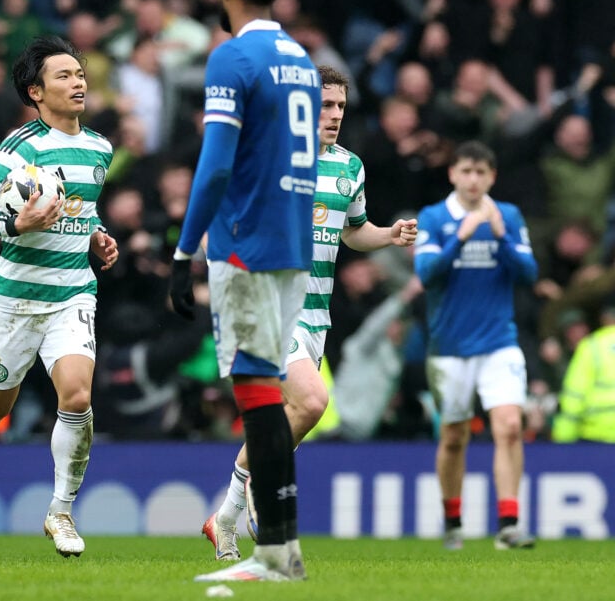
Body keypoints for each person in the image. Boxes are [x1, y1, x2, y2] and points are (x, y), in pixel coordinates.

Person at [201, 66, 419, 562]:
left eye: (340, 106)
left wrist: (388, 234)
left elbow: (352, 230)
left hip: (314, 315)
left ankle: (226, 517)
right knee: (314, 401)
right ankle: (263, 486)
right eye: (325, 105)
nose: (334, 114)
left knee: (295, 413)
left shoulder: (350, 168)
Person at [167, 0, 319, 583]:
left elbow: (219, 161)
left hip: (247, 246)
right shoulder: (303, 59)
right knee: (269, 390)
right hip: (294, 246)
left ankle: (275, 553)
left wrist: (184, 249)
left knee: (257, 393)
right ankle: (281, 550)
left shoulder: (234, 57)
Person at [0, 35, 119, 558]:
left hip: (72, 293)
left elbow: (83, 211)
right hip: (15, 299)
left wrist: (98, 237)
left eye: (80, 73)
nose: (78, 81)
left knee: (78, 396)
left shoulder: (100, 149)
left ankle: (60, 510)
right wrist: (18, 221)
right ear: (36, 92)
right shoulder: (21, 147)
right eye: (64, 76)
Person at [413, 140, 538, 551]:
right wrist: (461, 238)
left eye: (481, 172)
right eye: (466, 171)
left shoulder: (509, 216)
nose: (473, 180)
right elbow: (427, 274)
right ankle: (453, 523)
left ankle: (508, 523)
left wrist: (500, 237)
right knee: (453, 436)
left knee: (510, 426)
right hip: (449, 347)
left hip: (499, 341)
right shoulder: (433, 218)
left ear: (492, 177)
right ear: (452, 174)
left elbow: (528, 274)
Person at [551, 299, 615, 444]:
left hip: (597, 433)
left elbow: (574, 396)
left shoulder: (591, 346)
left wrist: (563, 438)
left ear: (603, 319)